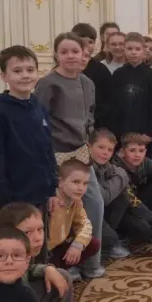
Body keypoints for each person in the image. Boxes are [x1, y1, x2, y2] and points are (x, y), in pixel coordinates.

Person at [34, 32, 105, 279]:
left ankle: (90, 262)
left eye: (75, 51)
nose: (70, 56)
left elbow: (89, 115)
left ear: (84, 53)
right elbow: (39, 121)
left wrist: (89, 138)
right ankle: (60, 263)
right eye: (64, 52)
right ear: (56, 54)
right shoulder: (48, 84)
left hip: (81, 152)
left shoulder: (87, 83)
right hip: (56, 154)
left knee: (94, 203)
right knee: (60, 210)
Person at [0, 46, 57, 216]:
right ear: (4, 76)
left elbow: (47, 150)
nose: (25, 75)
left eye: (30, 70)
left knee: (39, 233)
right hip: (13, 198)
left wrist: (52, 188)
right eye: (17, 71)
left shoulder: (39, 107)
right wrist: (2, 197)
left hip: (41, 193)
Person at [90, 129, 152, 256]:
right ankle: (109, 240)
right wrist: (121, 176)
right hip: (86, 216)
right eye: (101, 147)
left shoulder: (107, 166)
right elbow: (102, 198)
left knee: (143, 228)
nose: (105, 152)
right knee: (111, 239)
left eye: (109, 150)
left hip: (111, 212)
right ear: (89, 146)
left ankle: (113, 236)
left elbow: (129, 198)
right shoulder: (87, 168)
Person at [48, 160, 101, 281]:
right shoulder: (51, 202)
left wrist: (77, 245)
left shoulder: (76, 201)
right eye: (76, 182)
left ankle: (62, 269)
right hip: (42, 252)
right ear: (60, 182)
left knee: (93, 244)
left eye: (85, 183)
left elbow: (85, 224)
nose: (81, 188)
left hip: (57, 247)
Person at [108, 32, 152, 154]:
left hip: (144, 132)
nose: (133, 52)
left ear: (143, 50)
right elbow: (113, 106)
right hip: (122, 131)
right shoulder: (118, 74)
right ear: (124, 49)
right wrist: (115, 132)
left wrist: (150, 133)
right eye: (130, 48)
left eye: (137, 49)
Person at [72, 22, 114, 131]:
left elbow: (107, 101)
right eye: (81, 41)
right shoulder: (65, 68)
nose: (86, 46)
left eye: (90, 42)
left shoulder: (101, 70)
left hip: (95, 125)